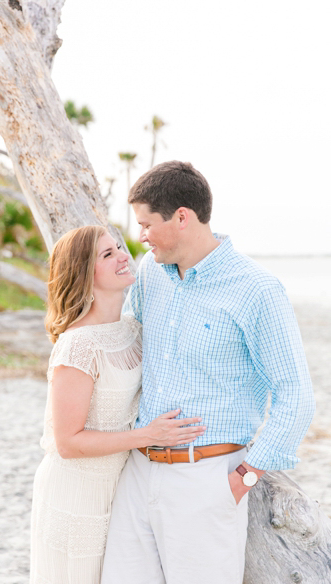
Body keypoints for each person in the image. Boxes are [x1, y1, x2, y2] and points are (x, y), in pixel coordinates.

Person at [101, 161, 316, 584]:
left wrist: (244, 476)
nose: (139, 236)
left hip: (206, 480)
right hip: (137, 471)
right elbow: (130, 345)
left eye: (146, 224)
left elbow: (296, 397)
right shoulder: (150, 273)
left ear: (182, 217)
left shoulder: (257, 290)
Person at [30, 225, 206, 584]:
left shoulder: (131, 329)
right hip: (76, 493)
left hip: (121, 487)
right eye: (108, 254)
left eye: (120, 248)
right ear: (83, 273)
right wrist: (148, 435)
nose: (124, 256)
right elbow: (68, 443)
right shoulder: (78, 345)